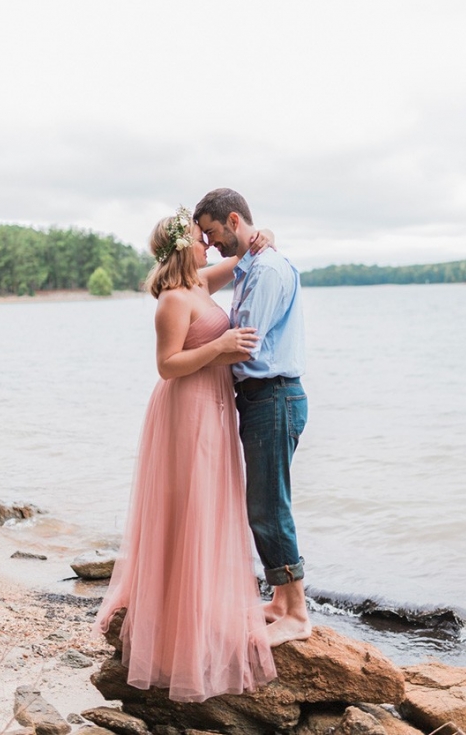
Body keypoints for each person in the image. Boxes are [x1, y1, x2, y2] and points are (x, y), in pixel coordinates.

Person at [94, 206, 276, 703]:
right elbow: (168, 366)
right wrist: (219, 346)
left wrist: (262, 235)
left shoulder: (199, 283)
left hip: (215, 409)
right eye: (201, 238)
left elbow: (240, 262)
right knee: (189, 510)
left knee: (212, 508)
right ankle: (177, 626)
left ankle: (202, 607)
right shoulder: (173, 300)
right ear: (183, 246)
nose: (209, 245)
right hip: (187, 410)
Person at [194, 188, 312, 648]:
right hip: (264, 398)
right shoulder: (252, 265)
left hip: (273, 395)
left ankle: (298, 613)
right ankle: (281, 602)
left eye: (213, 231)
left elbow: (246, 344)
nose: (210, 241)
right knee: (263, 502)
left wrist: (192, 367)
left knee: (269, 504)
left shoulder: (265, 270)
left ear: (234, 219)